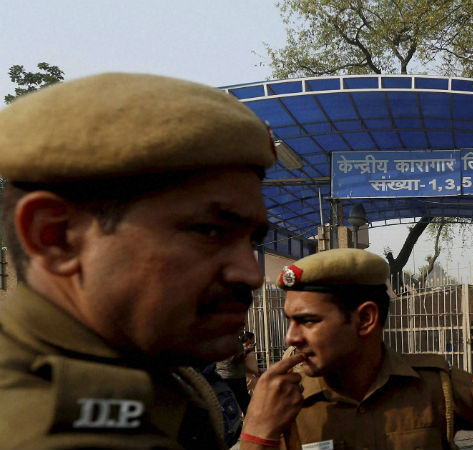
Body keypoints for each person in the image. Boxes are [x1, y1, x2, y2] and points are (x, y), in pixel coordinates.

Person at [0, 72, 305, 449]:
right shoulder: (52, 428)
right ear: (56, 236)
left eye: (252, 240)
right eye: (209, 231)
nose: (250, 274)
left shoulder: (154, 376)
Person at [272, 248, 473, 450]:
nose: (290, 337)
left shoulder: (436, 386)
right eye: (290, 321)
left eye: (307, 321)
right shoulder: (286, 405)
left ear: (366, 318)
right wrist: (257, 436)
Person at [216, 332, 252, 415]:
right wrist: (247, 351)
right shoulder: (228, 341)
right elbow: (232, 359)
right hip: (231, 377)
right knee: (240, 403)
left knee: (243, 402)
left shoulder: (233, 340)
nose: (242, 329)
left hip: (236, 376)